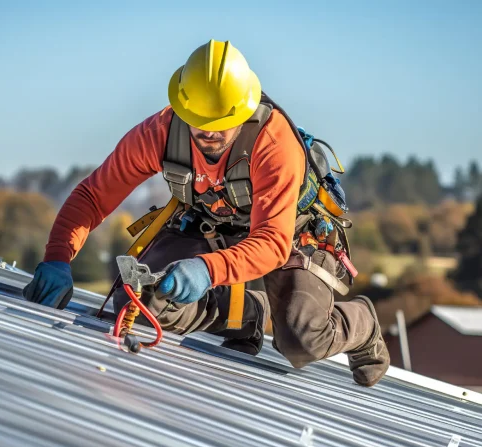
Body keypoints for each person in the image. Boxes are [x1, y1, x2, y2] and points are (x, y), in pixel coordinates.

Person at [24, 39, 390, 387]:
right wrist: (58, 257)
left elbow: (272, 243)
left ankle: (363, 324)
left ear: (244, 109)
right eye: (201, 122)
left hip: (290, 234)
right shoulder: (160, 133)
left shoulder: (274, 145)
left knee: (301, 339)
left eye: (222, 124)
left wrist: (207, 269)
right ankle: (246, 315)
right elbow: (94, 195)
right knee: (141, 301)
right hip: (209, 223)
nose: (211, 133)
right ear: (183, 108)